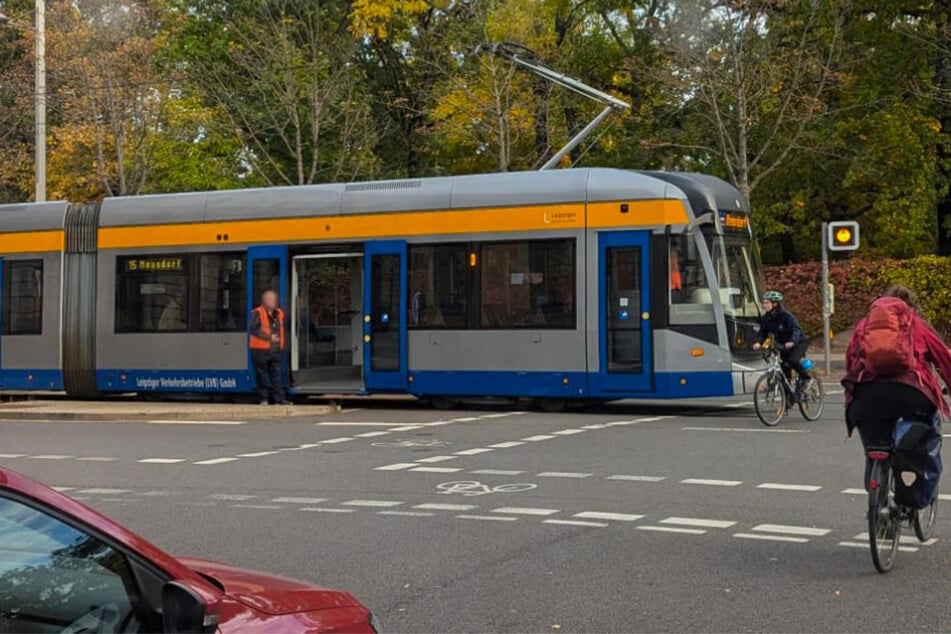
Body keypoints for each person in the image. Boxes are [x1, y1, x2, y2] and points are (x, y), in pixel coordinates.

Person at [843, 284, 951, 489]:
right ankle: (912, 493)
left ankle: (877, 506)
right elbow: (944, 360)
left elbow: (851, 360)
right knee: (926, 431)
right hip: (911, 393)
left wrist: (852, 392)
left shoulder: (864, 325)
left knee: (874, 450)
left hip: (866, 395)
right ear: (910, 306)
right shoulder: (917, 324)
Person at [752, 290, 809, 402]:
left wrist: (792, 341)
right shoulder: (766, 318)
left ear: (775, 304)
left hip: (799, 342)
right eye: (764, 303)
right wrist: (758, 342)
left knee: (792, 361)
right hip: (783, 345)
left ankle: (806, 378)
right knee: (784, 369)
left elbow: (796, 330)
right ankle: (789, 399)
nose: (764, 305)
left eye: (767, 303)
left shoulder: (786, 316)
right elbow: (763, 333)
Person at [250, 290, 290, 405]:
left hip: (275, 350)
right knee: (261, 375)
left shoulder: (279, 313)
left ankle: (279, 399)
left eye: (274, 299)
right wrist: (269, 337)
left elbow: (283, 328)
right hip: (260, 350)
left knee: (276, 375)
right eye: (270, 299)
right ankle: (264, 398)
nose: (273, 302)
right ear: (264, 301)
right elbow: (253, 329)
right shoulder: (257, 313)